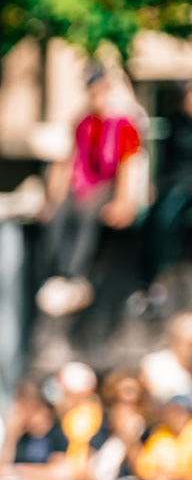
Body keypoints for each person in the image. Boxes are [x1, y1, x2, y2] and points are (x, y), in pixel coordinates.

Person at [36, 64, 145, 318]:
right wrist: (53, 198)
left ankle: (77, 276)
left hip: (108, 186)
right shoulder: (84, 122)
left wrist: (123, 201)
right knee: (61, 214)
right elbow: (69, 160)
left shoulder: (123, 123)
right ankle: (57, 273)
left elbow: (130, 164)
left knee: (88, 211)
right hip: (83, 184)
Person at [135, 80, 192, 315]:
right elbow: (166, 164)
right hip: (172, 184)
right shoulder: (175, 123)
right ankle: (148, 281)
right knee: (148, 220)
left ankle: (156, 280)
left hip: (186, 188)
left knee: (165, 217)